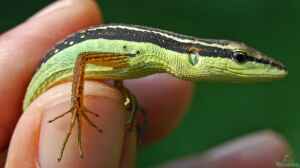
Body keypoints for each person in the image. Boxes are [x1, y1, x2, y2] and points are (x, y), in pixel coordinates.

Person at [1, 0, 289, 167]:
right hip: (45, 76)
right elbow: (84, 57)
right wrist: (76, 105)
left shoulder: (148, 59)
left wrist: (121, 88)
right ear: (194, 56)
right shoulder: (145, 50)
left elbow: (102, 67)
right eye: (239, 59)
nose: (244, 64)